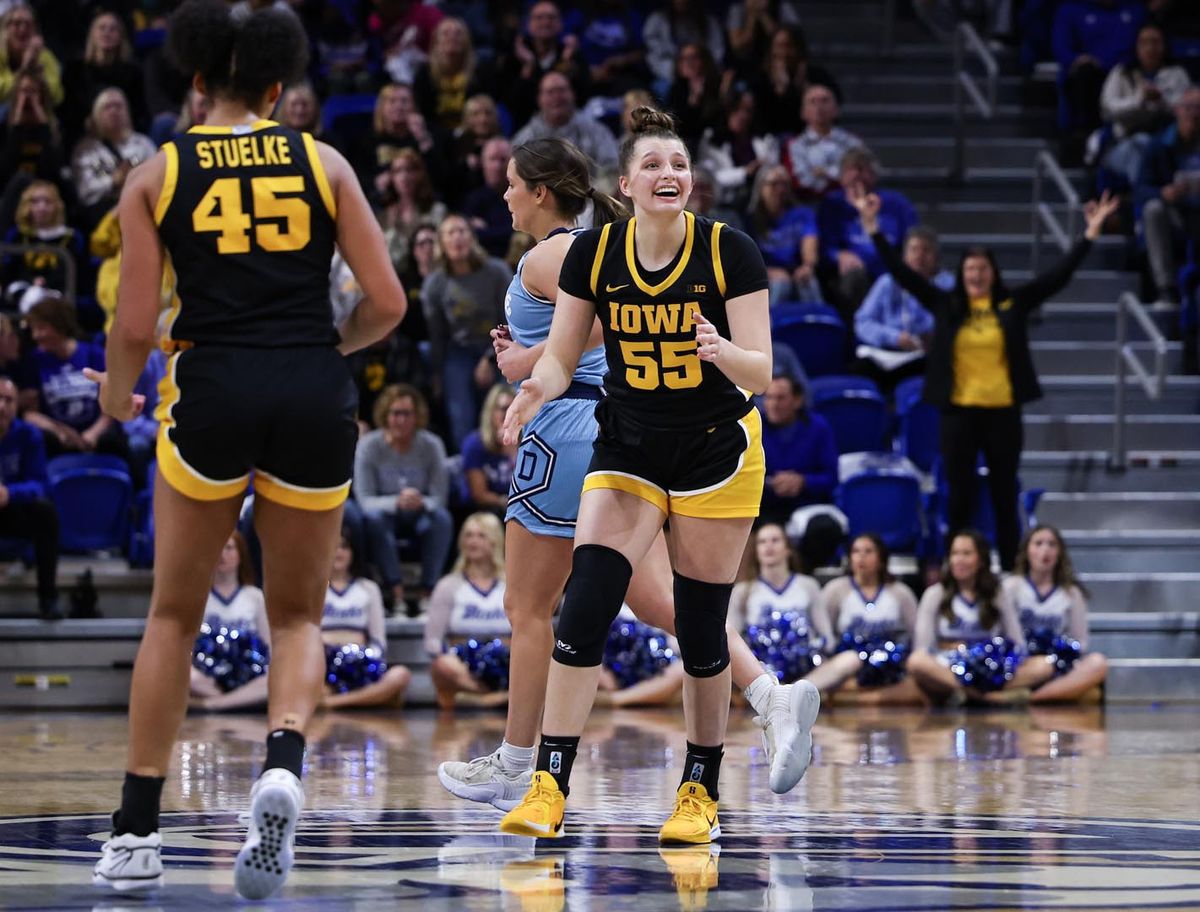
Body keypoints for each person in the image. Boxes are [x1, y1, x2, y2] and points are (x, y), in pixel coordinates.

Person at [86, 0, 407, 899]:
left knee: (173, 616)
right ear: (276, 87)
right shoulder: (326, 161)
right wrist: (321, 353)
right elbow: (385, 303)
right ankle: (282, 765)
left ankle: (136, 832)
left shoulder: (156, 173)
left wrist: (118, 397)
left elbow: (135, 322)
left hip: (212, 387)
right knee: (298, 614)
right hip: (310, 386)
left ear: (195, 83)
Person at [436, 134, 819, 822]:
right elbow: (582, 335)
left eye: (514, 183)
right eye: (653, 163)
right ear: (628, 180)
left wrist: (528, 366)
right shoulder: (594, 254)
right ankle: (757, 699)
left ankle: (524, 763)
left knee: (540, 608)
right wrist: (535, 376)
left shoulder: (563, 252)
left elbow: (601, 337)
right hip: (618, 435)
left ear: (543, 191)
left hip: (627, 433)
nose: (504, 195)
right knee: (615, 602)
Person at [849, 186, 1119, 571]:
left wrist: (1089, 233)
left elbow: (1056, 278)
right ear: (962, 274)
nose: (976, 275)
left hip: (1002, 413)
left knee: (1003, 492)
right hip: (959, 413)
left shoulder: (1011, 303)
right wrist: (872, 227)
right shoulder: (946, 303)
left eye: (983, 269)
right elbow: (901, 273)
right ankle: (957, 570)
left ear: (993, 274)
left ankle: (1009, 567)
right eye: (970, 269)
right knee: (958, 495)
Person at [908, 530, 1050, 704]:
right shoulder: (935, 594)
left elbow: (1018, 643)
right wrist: (951, 649)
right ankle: (985, 697)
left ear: (981, 560)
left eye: (966, 553)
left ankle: (969, 693)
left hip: (992, 667)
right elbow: (922, 647)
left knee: (1045, 664)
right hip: (949, 666)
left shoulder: (996, 593)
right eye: (954, 553)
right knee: (916, 662)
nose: (959, 560)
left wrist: (998, 659)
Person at [353, 383, 453, 612]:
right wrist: (396, 502)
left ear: (417, 416)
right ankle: (396, 593)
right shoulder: (368, 446)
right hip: (385, 515)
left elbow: (439, 498)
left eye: (407, 414)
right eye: (396, 413)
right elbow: (364, 500)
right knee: (374, 519)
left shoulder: (432, 445)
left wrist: (420, 502)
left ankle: (427, 593)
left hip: (420, 515)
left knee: (441, 519)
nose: (401, 420)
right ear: (385, 415)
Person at [421, 213, 511, 449]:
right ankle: (467, 465)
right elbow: (438, 335)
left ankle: (508, 459)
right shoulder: (435, 284)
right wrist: (437, 375)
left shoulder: (496, 271)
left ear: (472, 238)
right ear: (442, 243)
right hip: (458, 351)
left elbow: (510, 319)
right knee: (460, 411)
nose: (457, 238)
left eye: (462, 231)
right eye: (450, 233)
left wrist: (489, 358)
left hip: (498, 346)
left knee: (504, 404)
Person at [807, 533, 923, 705]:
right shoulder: (835, 590)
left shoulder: (901, 593)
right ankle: (796, 694)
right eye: (856, 551)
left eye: (868, 551)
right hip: (849, 667)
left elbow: (916, 637)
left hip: (891, 668)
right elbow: (823, 636)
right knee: (849, 660)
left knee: (914, 689)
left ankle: (846, 698)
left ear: (881, 559)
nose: (861, 557)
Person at [1005, 525, 1109, 703]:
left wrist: (1059, 655)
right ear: (1026, 550)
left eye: (1052, 544)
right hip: (1020, 663)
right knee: (1041, 667)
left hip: (1057, 663)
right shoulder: (1011, 586)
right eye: (1038, 543)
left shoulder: (1071, 593)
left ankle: (1031, 699)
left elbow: (1080, 642)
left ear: (1059, 553)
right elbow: (1004, 632)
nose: (1045, 550)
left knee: (1098, 663)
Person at [18, 295, 125, 460]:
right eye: (33, 329)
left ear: (60, 326)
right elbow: (30, 414)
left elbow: (112, 406)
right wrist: (58, 431)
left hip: (98, 434)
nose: (35, 336)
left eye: (41, 328)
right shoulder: (34, 361)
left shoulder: (94, 355)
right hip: (57, 438)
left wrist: (92, 434)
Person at [818, 148, 918, 318]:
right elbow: (823, 246)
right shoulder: (832, 205)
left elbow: (913, 238)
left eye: (863, 168)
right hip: (851, 276)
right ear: (841, 177)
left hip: (890, 272)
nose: (857, 174)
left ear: (874, 175)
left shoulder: (897, 204)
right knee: (854, 277)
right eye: (852, 168)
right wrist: (839, 255)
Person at [425, 511, 511, 708]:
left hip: (508, 662)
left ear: (495, 541)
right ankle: (496, 697)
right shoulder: (448, 585)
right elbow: (432, 640)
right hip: (463, 665)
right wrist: (445, 655)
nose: (473, 541)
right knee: (441, 665)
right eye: (468, 535)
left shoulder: (511, 583)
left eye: (481, 536)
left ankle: (480, 699)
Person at [320, 533, 412, 710]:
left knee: (401, 675)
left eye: (344, 547)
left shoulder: (368, 588)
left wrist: (368, 659)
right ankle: (367, 698)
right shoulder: (314, 587)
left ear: (353, 552)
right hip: (323, 664)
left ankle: (333, 702)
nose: (338, 552)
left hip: (360, 662)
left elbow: (378, 638)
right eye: (333, 547)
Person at [854, 225, 947, 393]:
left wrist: (930, 335)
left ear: (936, 258)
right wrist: (894, 337)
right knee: (859, 369)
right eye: (914, 250)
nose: (920, 256)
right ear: (904, 256)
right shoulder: (887, 283)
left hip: (923, 356)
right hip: (886, 353)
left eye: (926, 250)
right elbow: (863, 322)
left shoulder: (947, 285)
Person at [728, 523, 823, 685]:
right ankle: (774, 693)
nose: (768, 546)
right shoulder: (743, 591)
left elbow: (825, 635)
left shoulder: (808, 585)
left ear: (788, 549)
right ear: (756, 551)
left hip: (805, 669)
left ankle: (795, 692)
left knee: (849, 659)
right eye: (762, 542)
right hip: (759, 672)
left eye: (775, 540)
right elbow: (730, 639)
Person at [0, 374, 60, 620]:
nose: (2, 406)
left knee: (45, 513)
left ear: (16, 405)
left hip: (12, 508)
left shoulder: (29, 435)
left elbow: (40, 485)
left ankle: (48, 599)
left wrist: (8, 493)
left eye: (8, 400)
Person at [759, 376, 839, 560]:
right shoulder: (756, 426)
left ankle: (810, 580)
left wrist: (803, 481)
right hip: (766, 504)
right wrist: (770, 483)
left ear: (797, 400)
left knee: (825, 528)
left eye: (780, 398)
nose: (773, 404)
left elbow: (831, 476)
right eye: (769, 397)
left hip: (808, 503)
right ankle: (746, 585)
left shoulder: (818, 427)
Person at [1099, 22, 1189, 185]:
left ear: (1164, 45)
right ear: (1136, 46)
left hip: (1167, 144)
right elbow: (1108, 110)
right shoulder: (1121, 73)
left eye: (1155, 42)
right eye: (1144, 42)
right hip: (1123, 143)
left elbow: (1187, 111)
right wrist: (1139, 101)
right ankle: (1145, 200)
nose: (1150, 48)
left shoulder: (1177, 74)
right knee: (1141, 145)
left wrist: (1161, 101)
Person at [189, 532, 271, 712]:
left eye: (229, 548)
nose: (222, 555)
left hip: (248, 675)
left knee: (273, 680)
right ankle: (236, 702)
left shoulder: (254, 596)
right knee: (184, 675)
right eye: (217, 548)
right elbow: (188, 645)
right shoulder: (199, 596)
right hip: (207, 676)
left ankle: (213, 704)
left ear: (240, 554)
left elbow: (268, 644)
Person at [1136, 87, 1200, 305]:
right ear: (1177, 111)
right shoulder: (1158, 145)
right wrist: (1163, 193)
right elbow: (1140, 189)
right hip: (1176, 215)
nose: (1195, 113)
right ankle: (1166, 288)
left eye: (1199, 108)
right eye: (1189, 107)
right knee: (1153, 209)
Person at [70, 88, 157, 228]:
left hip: (141, 206)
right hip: (104, 214)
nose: (114, 111)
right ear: (96, 115)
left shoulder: (143, 144)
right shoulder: (86, 150)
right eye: (107, 107)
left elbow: (157, 181)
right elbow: (84, 192)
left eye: (119, 106)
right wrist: (113, 181)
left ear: (127, 112)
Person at [61, 11, 147, 148]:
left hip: (124, 135)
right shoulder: (75, 70)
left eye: (113, 29)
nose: (107, 33)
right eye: (102, 28)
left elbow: (139, 113)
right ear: (92, 34)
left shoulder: (133, 72)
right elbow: (68, 113)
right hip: (83, 135)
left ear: (121, 36)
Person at [511, 71, 620, 179]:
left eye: (561, 90)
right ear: (539, 99)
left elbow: (611, 168)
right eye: (550, 92)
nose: (557, 97)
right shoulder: (525, 139)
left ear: (573, 95)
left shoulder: (598, 132)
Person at [748, 165, 821, 307]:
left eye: (784, 184)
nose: (780, 189)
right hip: (764, 273)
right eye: (774, 184)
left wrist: (807, 266)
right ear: (761, 188)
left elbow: (810, 246)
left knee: (808, 281)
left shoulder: (802, 214)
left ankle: (817, 325)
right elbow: (746, 260)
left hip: (797, 270)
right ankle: (770, 327)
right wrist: (767, 272)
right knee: (781, 284)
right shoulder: (750, 219)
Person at [782, 83, 862, 201]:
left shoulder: (852, 143)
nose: (819, 106)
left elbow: (858, 178)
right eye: (813, 101)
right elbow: (799, 182)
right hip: (807, 204)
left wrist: (824, 173)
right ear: (803, 112)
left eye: (825, 101)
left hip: (848, 202)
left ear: (836, 109)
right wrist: (838, 176)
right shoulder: (793, 145)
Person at [459, 383, 515, 518]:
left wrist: (512, 447)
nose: (509, 414)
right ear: (491, 412)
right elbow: (479, 495)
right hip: (485, 510)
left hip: (516, 507)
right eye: (503, 408)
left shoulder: (527, 441)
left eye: (513, 408)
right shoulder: (474, 444)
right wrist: (503, 501)